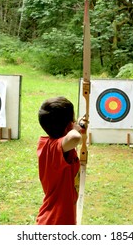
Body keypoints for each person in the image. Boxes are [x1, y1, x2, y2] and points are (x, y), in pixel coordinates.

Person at [36, 96, 84, 225]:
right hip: (55, 221)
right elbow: (74, 137)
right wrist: (75, 129)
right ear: (69, 125)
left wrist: (77, 125)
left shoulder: (49, 144)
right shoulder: (54, 148)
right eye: (72, 120)